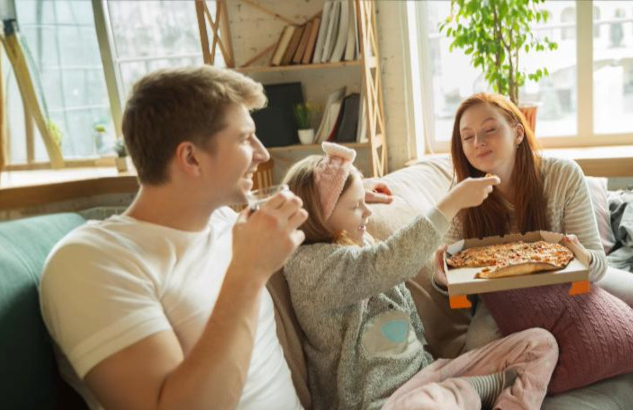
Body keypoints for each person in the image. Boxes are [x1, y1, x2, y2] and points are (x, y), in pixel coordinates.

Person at [38, 66, 388, 409]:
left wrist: (351, 198)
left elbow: (301, 214)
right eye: (244, 139)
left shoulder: (224, 221)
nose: (263, 153)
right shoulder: (92, 262)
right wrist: (248, 273)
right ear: (191, 158)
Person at [438, 92, 633, 409]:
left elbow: (597, 264)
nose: (478, 142)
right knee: (476, 350)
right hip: (503, 298)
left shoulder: (562, 175)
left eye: (490, 129)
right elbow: (450, 273)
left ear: (517, 132)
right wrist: (441, 275)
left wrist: (580, 257)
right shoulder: (462, 194)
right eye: (467, 136)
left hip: (570, 283)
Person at [281, 143, 559, 410]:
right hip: (381, 401)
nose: (367, 212)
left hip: (428, 375)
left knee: (540, 344)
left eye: (363, 202)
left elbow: (328, 203)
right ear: (318, 216)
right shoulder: (310, 268)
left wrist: (360, 193)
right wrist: (451, 204)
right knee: (426, 404)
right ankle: (474, 389)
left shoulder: (352, 240)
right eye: (356, 206)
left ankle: (469, 392)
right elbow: (388, 261)